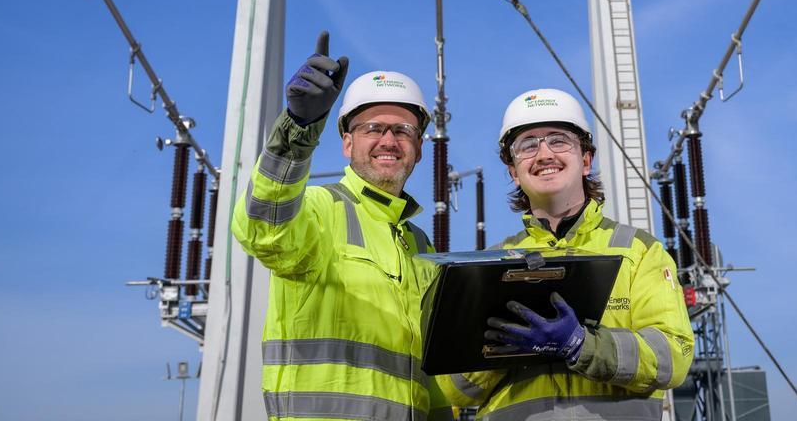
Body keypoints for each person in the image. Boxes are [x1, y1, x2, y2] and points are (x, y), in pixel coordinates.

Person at [231, 31, 450, 421]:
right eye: (372, 129)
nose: (389, 140)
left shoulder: (421, 246)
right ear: (347, 143)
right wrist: (299, 127)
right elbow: (262, 227)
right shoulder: (317, 208)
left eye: (403, 131)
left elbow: (431, 376)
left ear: (418, 148)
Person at [438, 88, 694, 421]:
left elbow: (673, 358)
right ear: (514, 171)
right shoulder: (490, 264)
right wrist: (496, 351)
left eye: (558, 140)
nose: (544, 154)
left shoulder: (638, 251)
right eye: (528, 144)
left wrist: (581, 345)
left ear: (586, 160)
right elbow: (450, 389)